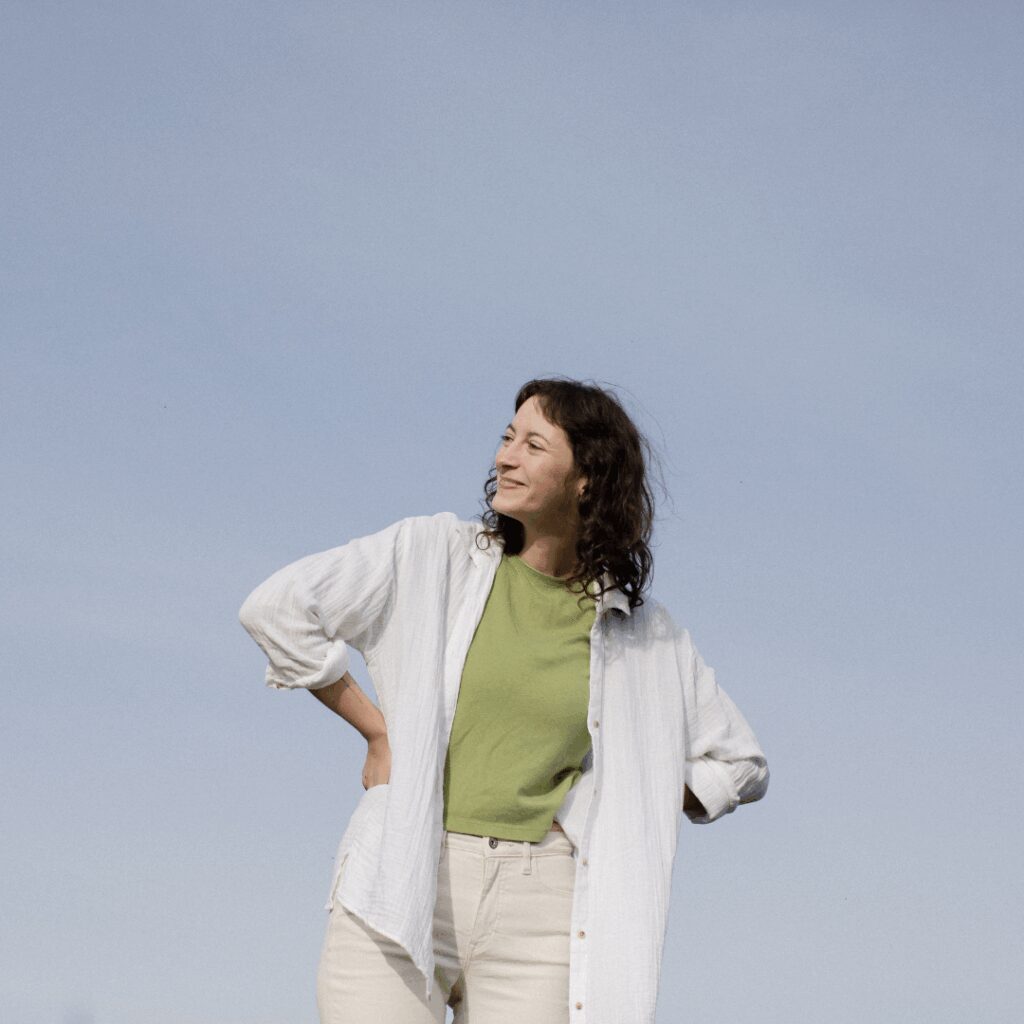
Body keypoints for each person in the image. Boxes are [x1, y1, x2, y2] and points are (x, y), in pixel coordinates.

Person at [238, 377, 769, 1024]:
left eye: (534, 444)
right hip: (408, 872)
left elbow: (739, 762)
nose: (505, 457)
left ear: (587, 480)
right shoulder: (434, 554)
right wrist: (377, 730)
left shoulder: (646, 636)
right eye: (506, 438)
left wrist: (630, 793)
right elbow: (280, 608)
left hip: (544, 908)